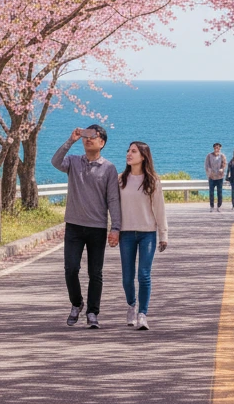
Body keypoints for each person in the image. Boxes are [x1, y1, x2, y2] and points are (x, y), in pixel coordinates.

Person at [52, 124, 121, 329]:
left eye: (93, 136)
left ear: (102, 142)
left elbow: (113, 199)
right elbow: (55, 162)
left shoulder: (109, 168)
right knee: (71, 269)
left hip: (97, 228)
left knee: (95, 273)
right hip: (74, 225)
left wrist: (115, 228)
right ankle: (77, 303)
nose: (88, 139)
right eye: (86, 136)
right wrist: (70, 141)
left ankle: (92, 312)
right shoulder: (73, 162)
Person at [118, 141, 168, 331]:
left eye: (133, 151)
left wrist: (163, 234)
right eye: (128, 151)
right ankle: (131, 305)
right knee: (127, 277)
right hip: (126, 233)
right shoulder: (120, 179)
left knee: (144, 275)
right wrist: (112, 229)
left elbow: (160, 209)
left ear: (143, 156)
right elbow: (113, 207)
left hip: (148, 233)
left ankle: (142, 314)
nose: (128, 154)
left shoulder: (153, 181)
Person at [205, 142, 227, 211]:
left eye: (218, 148)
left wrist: (222, 169)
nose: (217, 149)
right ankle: (212, 206)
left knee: (219, 192)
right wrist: (209, 172)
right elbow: (207, 165)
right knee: (211, 192)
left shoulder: (222, 156)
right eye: (216, 148)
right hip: (211, 177)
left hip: (220, 177)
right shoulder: (209, 156)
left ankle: (219, 206)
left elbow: (224, 164)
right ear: (214, 148)